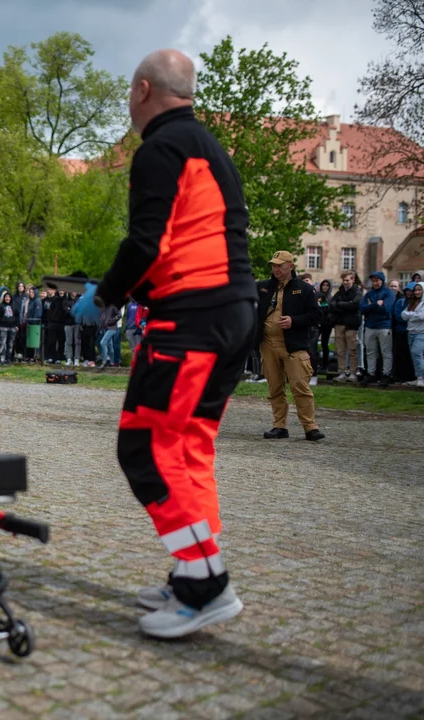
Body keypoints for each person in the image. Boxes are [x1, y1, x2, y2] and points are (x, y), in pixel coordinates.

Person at [71, 49, 255, 638]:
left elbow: (147, 242)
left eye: (129, 94)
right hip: (232, 311)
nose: (129, 105)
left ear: (144, 89)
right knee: (188, 447)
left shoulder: (160, 148)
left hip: (191, 318)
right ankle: (190, 570)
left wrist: (105, 295)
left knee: (145, 448)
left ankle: (208, 583)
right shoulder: (210, 147)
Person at [256, 252, 324, 441]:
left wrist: (295, 320)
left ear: (291, 266)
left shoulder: (304, 289)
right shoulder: (263, 287)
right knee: (275, 388)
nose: (275, 269)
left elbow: (317, 315)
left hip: (293, 346)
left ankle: (310, 427)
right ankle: (279, 426)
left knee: (300, 387)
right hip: (268, 345)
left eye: (280, 265)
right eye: (273, 266)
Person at [359, 271, 396, 387]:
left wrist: (371, 306)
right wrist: (376, 304)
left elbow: (386, 309)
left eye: (377, 280)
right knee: (370, 352)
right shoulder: (369, 294)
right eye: (373, 281)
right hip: (370, 326)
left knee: (386, 352)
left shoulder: (389, 293)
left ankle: (386, 374)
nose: (375, 283)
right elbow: (362, 309)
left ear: (382, 280)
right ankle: (371, 374)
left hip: (384, 326)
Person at [330, 272, 363, 382]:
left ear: (352, 280)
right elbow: (332, 305)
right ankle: (342, 372)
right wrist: (346, 305)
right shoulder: (339, 292)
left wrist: (340, 304)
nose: (345, 282)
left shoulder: (357, 292)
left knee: (352, 350)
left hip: (351, 325)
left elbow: (354, 305)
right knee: (340, 351)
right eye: (344, 280)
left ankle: (353, 372)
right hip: (339, 324)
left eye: (347, 280)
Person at [400, 282, 424, 387]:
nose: (417, 292)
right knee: (414, 356)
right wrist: (413, 315)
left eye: (419, 290)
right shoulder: (413, 302)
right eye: (416, 290)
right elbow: (403, 315)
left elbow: (421, 316)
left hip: (421, 332)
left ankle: (421, 378)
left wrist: (411, 315)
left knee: (417, 353)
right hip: (411, 332)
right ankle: (418, 376)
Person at [0, 292, 18, 364]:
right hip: (3, 327)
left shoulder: (15, 306)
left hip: (12, 327)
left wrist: (17, 325)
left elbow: (17, 316)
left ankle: (8, 359)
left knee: (10, 345)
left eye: (9, 297)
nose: (7, 298)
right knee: (1, 344)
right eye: (6, 297)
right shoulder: (0, 306)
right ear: (4, 298)